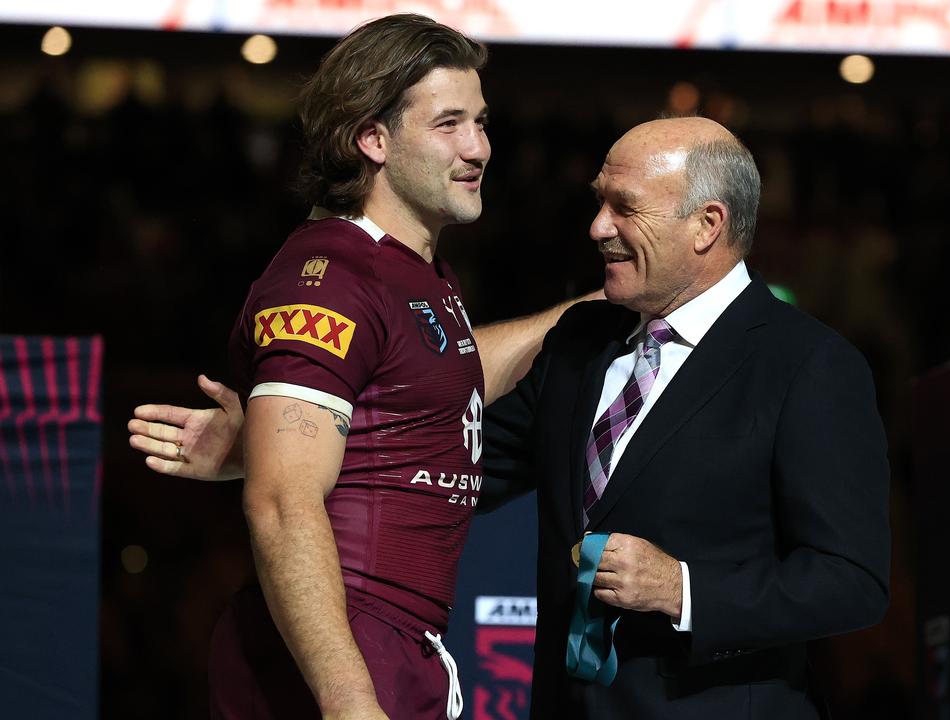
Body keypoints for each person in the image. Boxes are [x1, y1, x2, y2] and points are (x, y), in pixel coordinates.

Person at [133, 116, 890, 718]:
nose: (596, 226)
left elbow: (851, 581)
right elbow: (446, 463)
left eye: (623, 207)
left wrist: (683, 589)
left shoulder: (808, 365)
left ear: (707, 225)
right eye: (598, 200)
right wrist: (275, 445)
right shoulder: (577, 347)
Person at [126, 14, 583, 720]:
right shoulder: (332, 279)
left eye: (482, 123)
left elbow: (444, 376)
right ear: (373, 138)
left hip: (395, 648)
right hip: (342, 658)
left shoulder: (412, 271)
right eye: (450, 124)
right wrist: (348, 700)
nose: (480, 148)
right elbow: (282, 505)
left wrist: (597, 310)